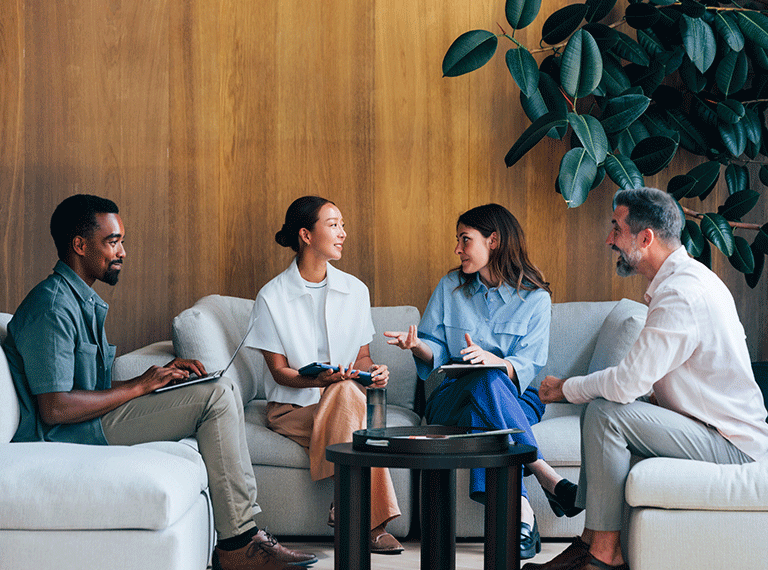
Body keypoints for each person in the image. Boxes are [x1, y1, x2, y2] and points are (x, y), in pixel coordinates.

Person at [2, 194, 316, 570]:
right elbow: (54, 408)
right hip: (67, 433)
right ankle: (238, 543)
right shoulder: (53, 306)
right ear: (80, 246)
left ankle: (243, 538)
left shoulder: (80, 299)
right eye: (112, 241)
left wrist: (157, 380)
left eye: (121, 241)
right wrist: (140, 386)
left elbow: (89, 388)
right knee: (215, 396)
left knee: (221, 388)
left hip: (89, 422)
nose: (122, 252)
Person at [532, 187, 768, 570]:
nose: (610, 239)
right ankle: (590, 540)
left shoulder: (682, 294)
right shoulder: (682, 282)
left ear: (646, 238)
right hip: (711, 430)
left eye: (616, 229)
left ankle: (603, 556)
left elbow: (627, 383)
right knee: (607, 411)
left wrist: (565, 389)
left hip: (732, 446)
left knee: (608, 411)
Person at [385, 203, 581, 560]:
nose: (458, 249)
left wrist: (498, 363)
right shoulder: (450, 287)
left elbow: (530, 363)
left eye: (465, 239)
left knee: (487, 385)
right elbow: (436, 348)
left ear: (494, 241)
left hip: (517, 398)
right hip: (451, 398)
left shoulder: (535, 298)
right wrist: (417, 346)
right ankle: (544, 477)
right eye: (458, 240)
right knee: (479, 382)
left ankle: (522, 514)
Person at [245, 196, 403, 554]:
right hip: (293, 408)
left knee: (347, 393)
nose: (343, 233)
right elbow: (280, 372)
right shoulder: (271, 296)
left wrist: (373, 372)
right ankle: (369, 523)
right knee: (348, 400)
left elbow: (362, 358)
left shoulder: (356, 289)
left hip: (347, 400)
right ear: (306, 234)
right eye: (333, 225)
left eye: (342, 224)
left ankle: (347, 508)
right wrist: (320, 381)